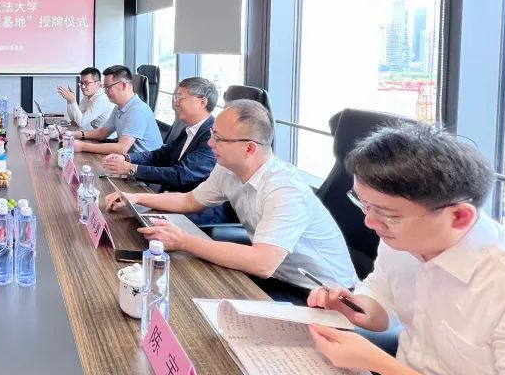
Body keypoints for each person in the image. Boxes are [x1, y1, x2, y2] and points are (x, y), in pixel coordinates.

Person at [303, 123, 505, 375]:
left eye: (387, 214)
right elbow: (381, 296)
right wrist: (355, 307)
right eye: (363, 204)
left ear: (459, 216)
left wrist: (384, 365)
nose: (370, 223)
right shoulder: (403, 240)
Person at [105, 99, 356, 299]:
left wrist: (183, 241)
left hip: (320, 296)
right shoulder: (227, 169)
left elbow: (263, 263)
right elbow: (190, 201)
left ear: (249, 148)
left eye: (219, 139)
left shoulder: (284, 189)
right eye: (212, 135)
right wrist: (135, 197)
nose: (210, 144)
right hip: (276, 277)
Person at [101, 76, 225, 226]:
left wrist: (132, 169)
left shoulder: (212, 136)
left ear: (202, 102)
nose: (175, 103)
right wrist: (127, 158)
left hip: (194, 215)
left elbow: (182, 175)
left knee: (121, 223)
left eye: (180, 97)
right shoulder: (189, 129)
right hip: (170, 201)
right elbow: (160, 155)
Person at [70, 65, 164, 155]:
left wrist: (82, 146)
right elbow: (102, 133)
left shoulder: (138, 110)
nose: (105, 92)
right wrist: (75, 134)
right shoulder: (119, 107)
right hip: (127, 158)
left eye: (108, 87)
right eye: (104, 87)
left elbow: (121, 148)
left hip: (144, 163)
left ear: (123, 85)